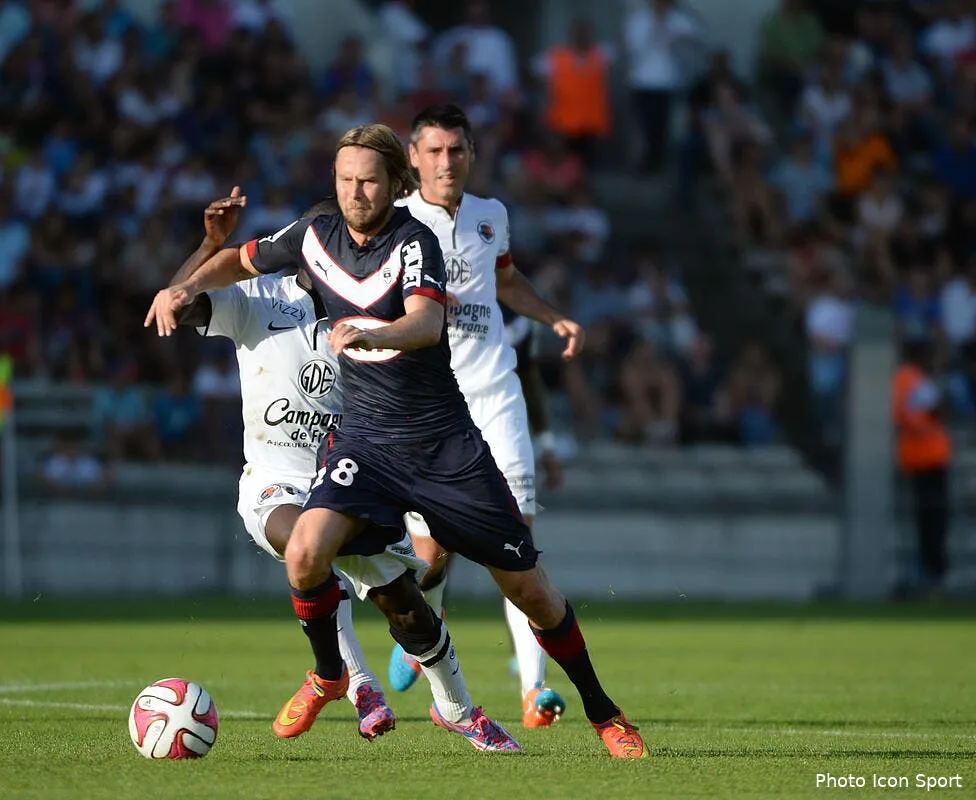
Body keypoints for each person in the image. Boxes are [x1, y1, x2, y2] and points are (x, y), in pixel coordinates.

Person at [150, 123, 647, 758]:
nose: (355, 192)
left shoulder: (414, 242)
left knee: (531, 593)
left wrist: (373, 333)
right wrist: (187, 283)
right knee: (305, 551)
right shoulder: (313, 235)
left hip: (441, 444)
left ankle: (603, 711)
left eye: (368, 181)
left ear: (395, 184)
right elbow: (238, 260)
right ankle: (334, 675)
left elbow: (426, 323)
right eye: (345, 180)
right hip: (365, 447)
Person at [154, 191, 516, 751]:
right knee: (305, 544)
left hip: (353, 480)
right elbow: (178, 303)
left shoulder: (376, 310)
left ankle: (459, 711)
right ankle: (351, 681)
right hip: (274, 480)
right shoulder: (256, 296)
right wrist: (209, 246)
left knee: (407, 609)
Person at [392, 103, 583, 731]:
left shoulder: (491, 216)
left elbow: (505, 281)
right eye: (435, 151)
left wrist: (552, 315)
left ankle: (534, 690)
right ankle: (423, 633)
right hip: (430, 405)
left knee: (519, 543)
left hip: (496, 396)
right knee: (431, 556)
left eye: (457, 150)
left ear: (472, 154)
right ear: (414, 157)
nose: (447, 162)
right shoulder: (396, 223)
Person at [893, 341, 952, 598]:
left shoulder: (907, 379)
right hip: (927, 458)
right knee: (931, 519)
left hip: (923, 458)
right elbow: (935, 411)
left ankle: (930, 571)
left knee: (928, 519)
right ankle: (932, 571)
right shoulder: (913, 380)